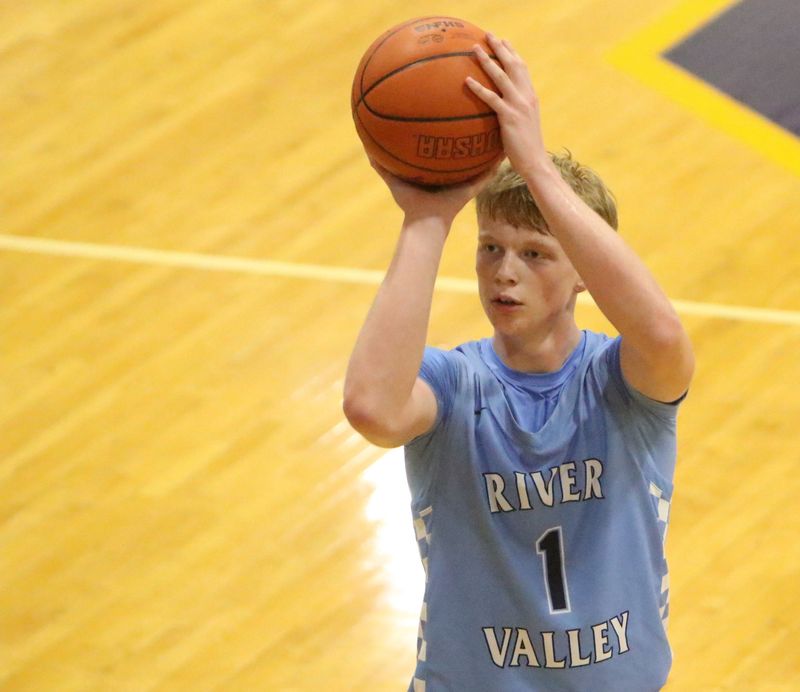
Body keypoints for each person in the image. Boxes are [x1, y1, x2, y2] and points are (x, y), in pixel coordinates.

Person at [343, 32, 694, 692]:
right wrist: (426, 219)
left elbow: (665, 338)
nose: (504, 273)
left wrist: (536, 166)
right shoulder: (456, 386)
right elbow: (373, 408)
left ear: (583, 273)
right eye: (490, 249)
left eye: (535, 254)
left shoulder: (623, 383)